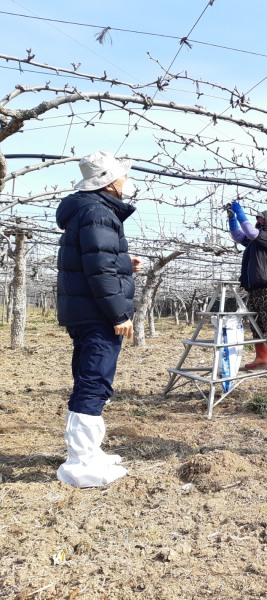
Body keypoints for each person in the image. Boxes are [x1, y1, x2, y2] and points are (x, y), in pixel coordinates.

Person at [55, 151, 141, 488]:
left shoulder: (87, 211)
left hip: (85, 312)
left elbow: (96, 260)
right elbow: (99, 268)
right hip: (98, 315)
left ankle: (90, 451)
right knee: (95, 381)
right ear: (108, 183)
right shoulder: (97, 212)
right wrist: (119, 313)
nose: (125, 182)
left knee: (89, 378)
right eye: (121, 176)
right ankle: (82, 463)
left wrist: (124, 264)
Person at [227, 200, 267, 369]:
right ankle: (261, 357)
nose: (258, 220)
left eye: (261, 218)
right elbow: (239, 236)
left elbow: (250, 232)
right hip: (255, 287)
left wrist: (239, 213)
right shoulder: (256, 239)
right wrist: (232, 219)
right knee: (257, 323)